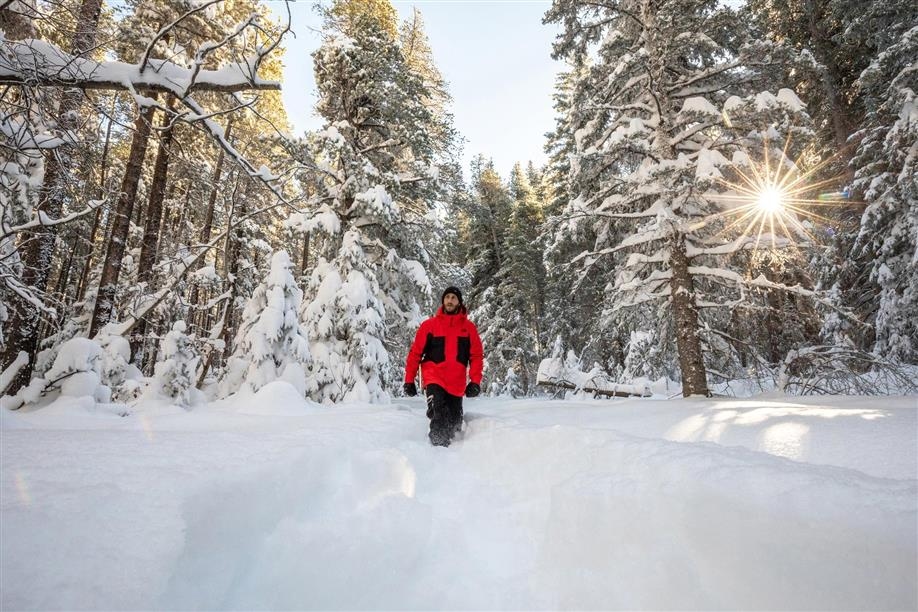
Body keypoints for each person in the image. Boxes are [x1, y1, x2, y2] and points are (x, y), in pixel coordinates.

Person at [403, 287, 483, 447]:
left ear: (459, 302)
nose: (450, 300)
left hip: (456, 384)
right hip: (434, 378)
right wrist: (409, 380)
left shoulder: (469, 329)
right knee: (439, 413)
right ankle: (436, 450)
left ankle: (452, 454)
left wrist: (475, 381)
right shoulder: (429, 326)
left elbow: (476, 356)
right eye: (447, 297)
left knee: (454, 424)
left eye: (453, 298)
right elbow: (415, 353)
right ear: (443, 301)